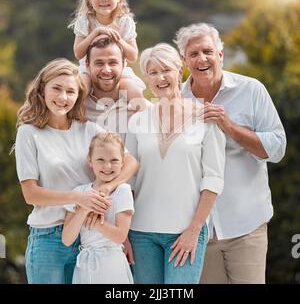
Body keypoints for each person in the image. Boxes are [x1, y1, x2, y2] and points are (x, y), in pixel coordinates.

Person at [174, 22, 287, 284]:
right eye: (193, 54)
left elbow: (278, 148)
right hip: (198, 231)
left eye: (207, 52)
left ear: (220, 55)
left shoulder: (251, 90)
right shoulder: (176, 101)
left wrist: (230, 127)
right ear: (183, 60)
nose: (202, 59)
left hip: (246, 225)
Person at [14, 58, 139, 284]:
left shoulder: (89, 129)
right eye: (57, 88)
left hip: (89, 236)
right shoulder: (29, 133)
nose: (63, 97)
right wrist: (79, 198)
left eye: (70, 91)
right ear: (42, 89)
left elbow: (130, 162)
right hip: (48, 237)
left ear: (78, 96)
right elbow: (31, 194)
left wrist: (106, 189)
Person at [125, 43, 226, 284]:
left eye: (166, 70)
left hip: (185, 233)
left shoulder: (206, 117)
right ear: (146, 78)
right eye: (153, 72)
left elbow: (213, 179)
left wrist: (194, 229)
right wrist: (123, 234)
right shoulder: (137, 122)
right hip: (141, 234)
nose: (160, 78)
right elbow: (126, 182)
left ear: (179, 71)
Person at [62, 132, 134, 284]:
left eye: (114, 160)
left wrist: (93, 222)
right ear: (90, 160)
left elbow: (120, 236)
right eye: (100, 159)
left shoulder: (123, 191)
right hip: (85, 265)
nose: (107, 166)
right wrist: (84, 209)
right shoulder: (79, 193)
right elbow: (67, 239)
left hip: (112, 265)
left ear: (122, 162)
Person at [69, 0, 144, 106]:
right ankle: (75, 121)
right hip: (88, 69)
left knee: (133, 90)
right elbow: (78, 53)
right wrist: (94, 34)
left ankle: (141, 119)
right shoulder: (85, 20)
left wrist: (119, 40)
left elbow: (133, 56)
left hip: (117, 69)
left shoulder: (124, 21)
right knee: (80, 88)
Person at [84, 35, 148, 140]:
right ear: (87, 65)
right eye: (99, 63)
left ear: (123, 65)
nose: (106, 70)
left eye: (113, 63)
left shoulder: (141, 108)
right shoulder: (75, 108)